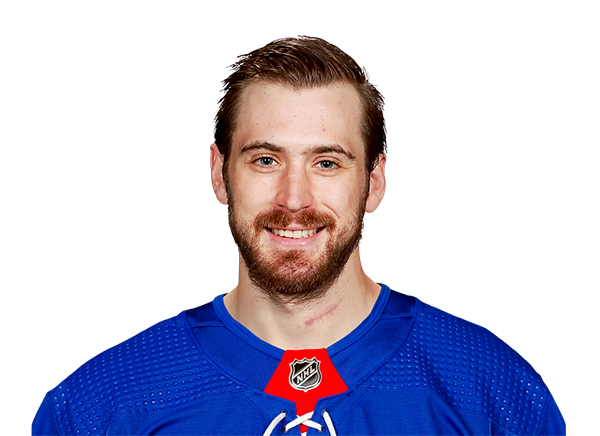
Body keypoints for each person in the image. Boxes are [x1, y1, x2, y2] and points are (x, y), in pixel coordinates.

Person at [32, 36, 566, 436]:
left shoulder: (490, 390)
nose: (294, 199)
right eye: (265, 160)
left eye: (327, 162)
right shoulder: (103, 405)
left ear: (374, 182)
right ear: (219, 175)